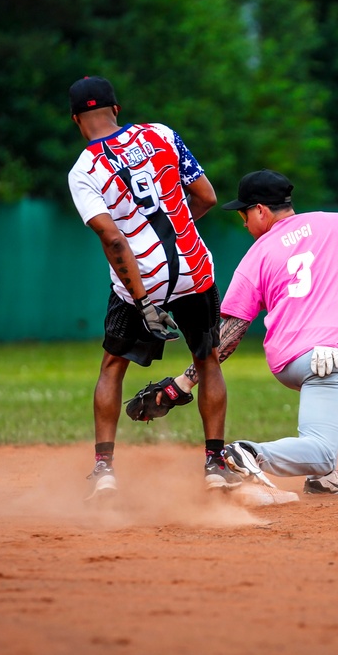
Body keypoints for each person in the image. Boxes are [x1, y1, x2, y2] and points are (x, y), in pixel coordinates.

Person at [126, 169, 338, 495]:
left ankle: (325, 479)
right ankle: (250, 452)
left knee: (321, 424)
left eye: (245, 214)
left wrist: (183, 383)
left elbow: (230, 333)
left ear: (261, 210)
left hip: (285, 361)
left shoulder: (257, 255)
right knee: (321, 450)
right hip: (328, 355)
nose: (244, 223)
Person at [65, 75, 240, 499]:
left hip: (143, 279)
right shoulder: (161, 134)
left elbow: (113, 239)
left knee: (112, 367)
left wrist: (144, 302)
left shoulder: (84, 170)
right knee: (207, 359)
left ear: (76, 120)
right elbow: (207, 197)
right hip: (195, 268)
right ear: (117, 109)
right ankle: (215, 463)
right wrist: (177, 233)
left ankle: (104, 469)